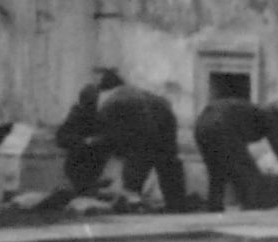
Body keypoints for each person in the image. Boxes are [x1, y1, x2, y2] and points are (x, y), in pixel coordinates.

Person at [54, 70, 190, 210]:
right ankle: (175, 201)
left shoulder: (99, 104)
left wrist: (91, 142)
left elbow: (124, 144)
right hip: (162, 109)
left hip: (125, 118)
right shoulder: (132, 95)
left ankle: (130, 195)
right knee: (166, 158)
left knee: (138, 152)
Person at [194, 92, 278, 210]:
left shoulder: (252, 112)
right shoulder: (269, 116)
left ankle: (215, 206)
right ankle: (253, 205)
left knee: (216, 171)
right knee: (248, 172)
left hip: (201, 126)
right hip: (222, 125)